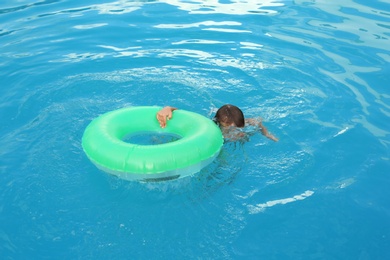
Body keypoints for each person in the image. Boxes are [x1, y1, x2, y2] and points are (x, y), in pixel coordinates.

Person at [156, 104, 278, 142]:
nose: (232, 129)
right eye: (228, 127)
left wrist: (266, 133)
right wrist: (168, 108)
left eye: (235, 127)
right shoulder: (210, 125)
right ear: (219, 122)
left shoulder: (244, 122)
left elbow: (257, 122)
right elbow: (188, 117)